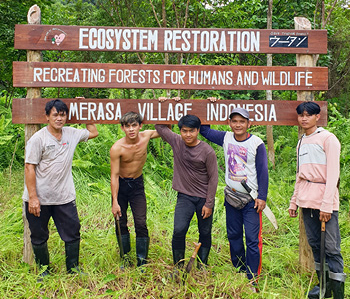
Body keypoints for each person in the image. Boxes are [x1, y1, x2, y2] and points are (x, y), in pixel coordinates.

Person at [23, 99, 98, 280]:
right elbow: (29, 167)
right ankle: (44, 271)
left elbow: (93, 132)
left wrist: (85, 108)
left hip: (64, 197)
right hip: (39, 198)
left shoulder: (71, 134)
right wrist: (33, 197)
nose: (59, 118)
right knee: (39, 236)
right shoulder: (38, 139)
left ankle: (73, 268)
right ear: (47, 116)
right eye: (55, 114)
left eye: (62, 115)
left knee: (73, 232)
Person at [200, 106, 268, 292]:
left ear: (248, 124)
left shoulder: (256, 143)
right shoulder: (226, 138)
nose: (238, 125)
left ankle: (252, 278)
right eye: (234, 121)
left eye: (242, 121)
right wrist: (209, 104)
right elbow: (204, 130)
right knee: (234, 236)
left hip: (251, 200)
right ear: (229, 123)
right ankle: (239, 270)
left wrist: (262, 197)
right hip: (231, 197)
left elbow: (263, 172)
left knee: (253, 240)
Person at [288, 101, 345, 299]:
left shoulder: (328, 139)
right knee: (315, 244)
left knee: (330, 247)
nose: (304, 118)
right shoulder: (302, 141)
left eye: (308, 115)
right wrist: (294, 201)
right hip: (306, 201)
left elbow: (333, 175)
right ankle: (323, 287)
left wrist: (327, 205)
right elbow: (300, 174)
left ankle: (338, 292)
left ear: (317, 117)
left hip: (324, 202)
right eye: (301, 115)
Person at [155, 115, 218, 269]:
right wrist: (166, 106)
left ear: (198, 131)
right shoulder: (177, 141)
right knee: (179, 230)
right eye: (184, 131)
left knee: (205, 231)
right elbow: (160, 127)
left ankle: (202, 265)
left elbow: (213, 178)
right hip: (185, 197)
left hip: (203, 198)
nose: (188, 134)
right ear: (180, 131)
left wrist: (209, 203)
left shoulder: (207, 151)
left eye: (191, 131)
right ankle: (178, 266)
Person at [110, 111, 160, 267]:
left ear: (140, 126)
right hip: (121, 184)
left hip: (137, 185)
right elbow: (114, 175)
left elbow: (166, 130)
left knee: (140, 221)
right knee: (120, 220)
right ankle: (125, 257)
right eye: (127, 126)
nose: (131, 129)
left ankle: (141, 260)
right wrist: (115, 201)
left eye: (134, 125)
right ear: (122, 128)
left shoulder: (146, 136)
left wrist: (166, 104)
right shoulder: (117, 148)